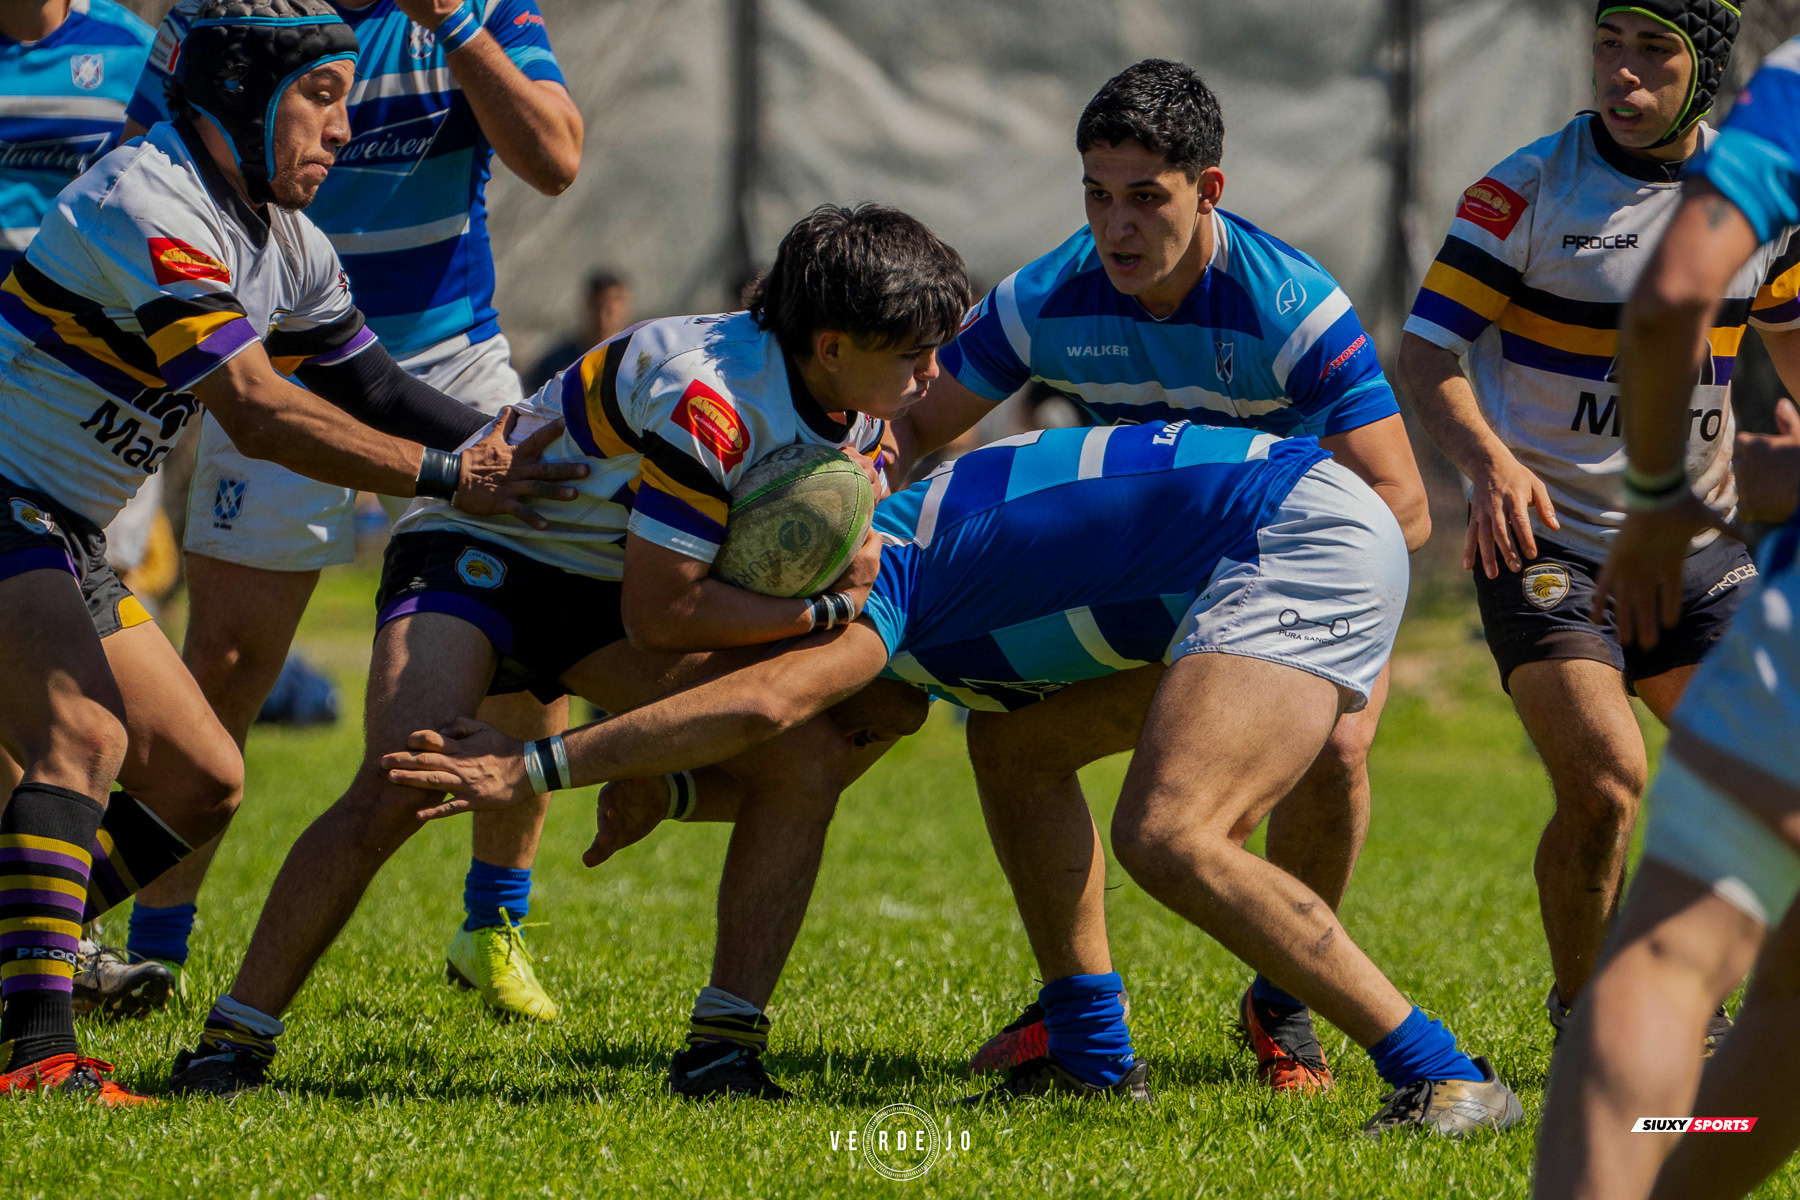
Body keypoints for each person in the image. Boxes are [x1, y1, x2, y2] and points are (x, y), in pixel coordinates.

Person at [382, 417, 1523, 1134]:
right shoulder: (895, 588)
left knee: (1172, 834)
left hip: (1293, 534)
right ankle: (1090, 1051)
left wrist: (538, 764)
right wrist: (669, 788)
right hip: (1270, 528)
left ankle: (1444, 1075)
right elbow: (817, 755)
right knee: (1016, 748)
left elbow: (771, 708)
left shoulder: (882, 581)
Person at [157, 203, 969, 1097]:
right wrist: (821, 613)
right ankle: (231, 1042)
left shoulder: (859, 415)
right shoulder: (711, 399)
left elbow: (759, 562)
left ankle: (722, 1048)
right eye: (914, 354)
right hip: (488, 552)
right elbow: (667, 614)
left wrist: (845, 563)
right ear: (831, 346)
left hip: (603, 590)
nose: (933, 375)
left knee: (809, 757)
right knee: (404, 777)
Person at [0, 0, 580, 1105]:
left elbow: (372, 385)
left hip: (59, 525)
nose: (345, 130)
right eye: (320, 98)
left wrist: (549, 447)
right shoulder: (148, 201)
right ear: (237, 98)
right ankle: (38, 1056)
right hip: (7, 501)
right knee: (84, 737)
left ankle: (22, 951)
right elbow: (260, 412)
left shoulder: (286, 239)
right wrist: (452, 477)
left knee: (204, 780)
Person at [882, 57, 1431, 1094]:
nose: (1115, 227)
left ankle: (1287, 1002)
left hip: (1288, 571)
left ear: (1208, 190)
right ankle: (1080, 1016)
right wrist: (834, 504)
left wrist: (1257, 639)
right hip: (1144, 584)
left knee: (1338, 744)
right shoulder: (1046, 297)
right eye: (1097, 195)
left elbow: (1403, 505)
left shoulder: (1290, 307)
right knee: (1009, 741)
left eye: (1145, 198)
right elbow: (907, 427)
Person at [1400, 0, 1800, 1046]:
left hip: (1699, 552)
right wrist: (1488, 464)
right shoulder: (1527, 190)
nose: (1621, 73)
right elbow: (1427, 353)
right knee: (1609, 786)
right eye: (1607, 45)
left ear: (1705, 68)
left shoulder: (1757, 199)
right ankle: (1588, 1023)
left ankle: (1698, 1018)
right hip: (1551, 544)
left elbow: (1793, 341)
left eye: (1653, 51)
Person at [1533, 30, 1800, 1200]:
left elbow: (1672, 296)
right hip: (1563, 559)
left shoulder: (1796, 87)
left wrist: (1659, 498)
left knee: (1668, 968)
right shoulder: (1532, 185)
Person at [523, 270, 633, 395]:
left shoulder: (635, 361)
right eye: (596, 308)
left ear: (625, 308)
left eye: (609, 311)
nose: (602, 319)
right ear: (586, 306)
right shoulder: (557, 364)